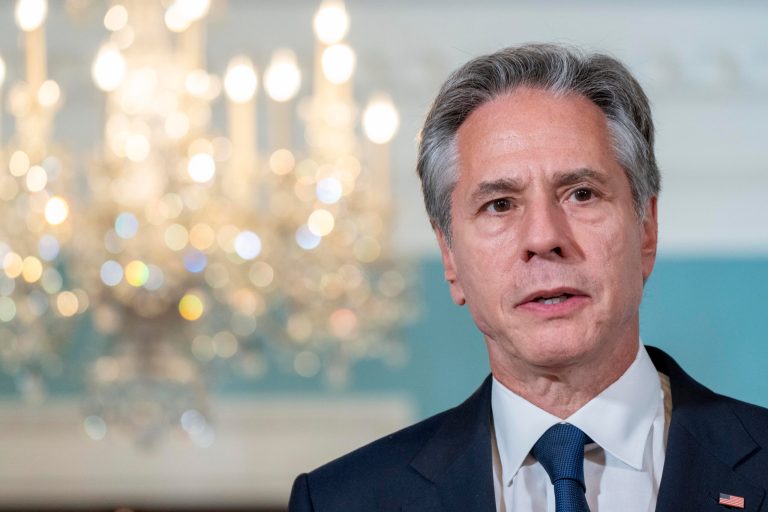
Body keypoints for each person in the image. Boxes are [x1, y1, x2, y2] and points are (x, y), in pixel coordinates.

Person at [288, 44, 768, 512]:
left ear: (646, 228)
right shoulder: (339, 501)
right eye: (499, 204)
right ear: (449, 256)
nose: (543, 237)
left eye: (581, 194)